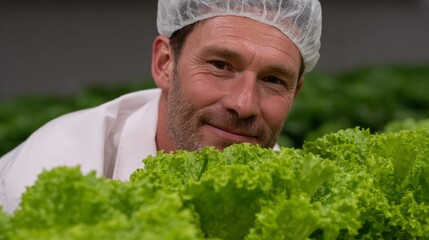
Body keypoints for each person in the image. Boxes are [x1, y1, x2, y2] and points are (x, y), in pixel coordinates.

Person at [0, 0, 322, 214]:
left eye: (274, 80)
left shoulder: (303, 201)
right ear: (165, 63)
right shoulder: (50, 172)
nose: (244, 104)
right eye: (221, 65)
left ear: (294, 93)